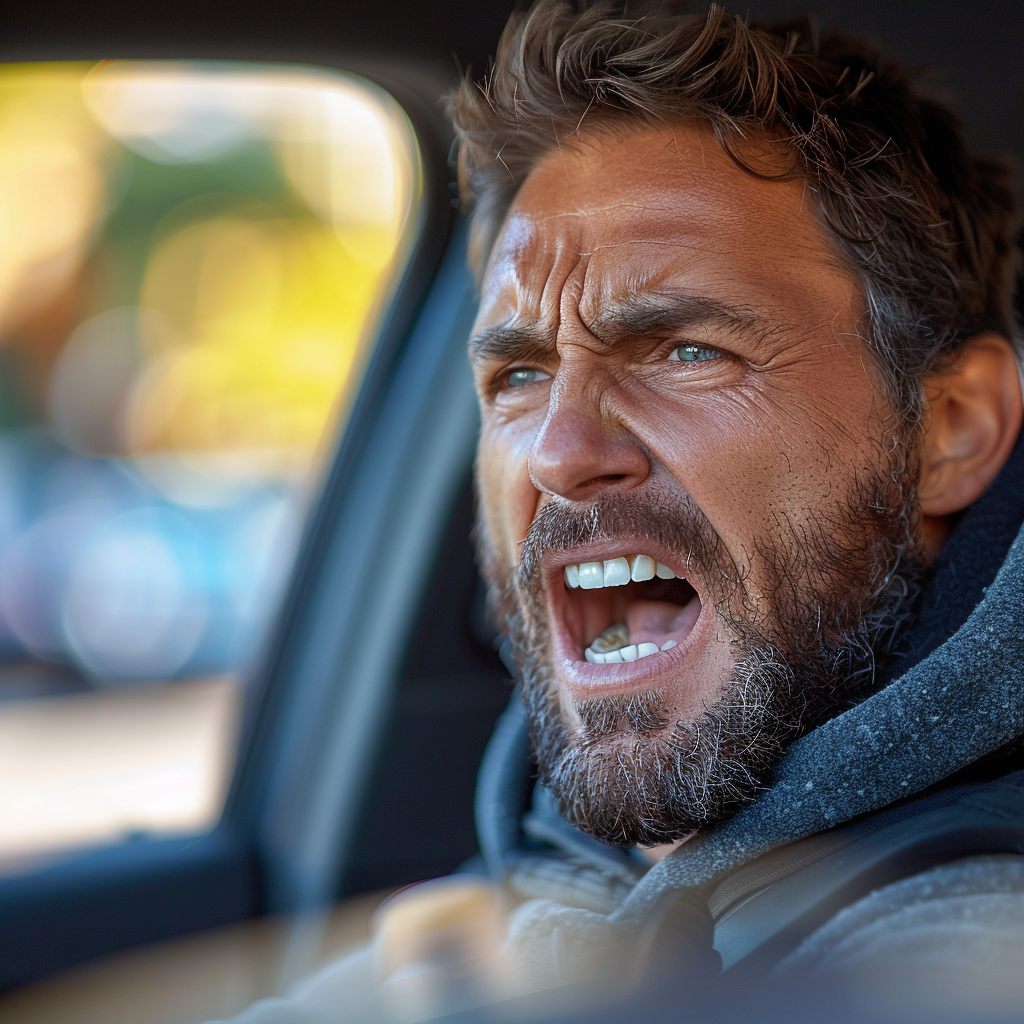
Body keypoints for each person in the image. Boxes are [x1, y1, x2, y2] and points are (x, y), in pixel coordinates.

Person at [211, 2, 1024, 1020]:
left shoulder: (974, 938)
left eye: (686, 351)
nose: (558, 451)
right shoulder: (514, 887)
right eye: (517, 373)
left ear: (949, 426)